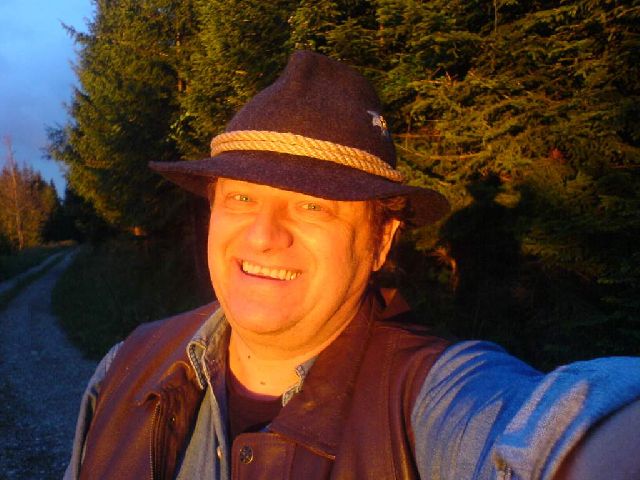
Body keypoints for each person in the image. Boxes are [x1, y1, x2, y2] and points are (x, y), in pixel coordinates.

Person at [65, 51, 640, 479]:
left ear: (381, 242)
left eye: (313, 205)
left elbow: (552, 429)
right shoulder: (124, 369)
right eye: (241, 197)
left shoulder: (427, 400)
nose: (263, 235)